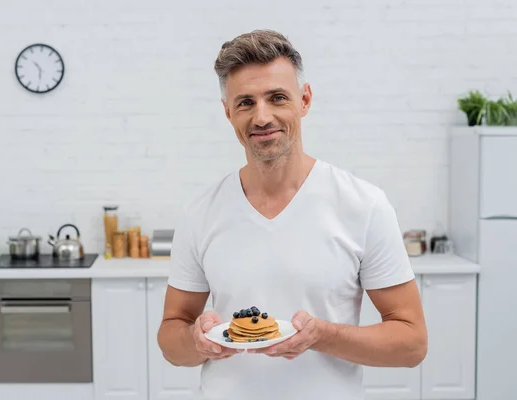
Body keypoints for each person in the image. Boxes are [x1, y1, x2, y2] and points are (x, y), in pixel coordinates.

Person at [157, 29, 427, 400]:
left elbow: (412, 343)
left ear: (305, 100)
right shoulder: (200, 212)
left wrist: (323, 336)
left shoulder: (363, 205)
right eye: (245, 103)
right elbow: (171, 340)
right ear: (227, 112)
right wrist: (195, 341)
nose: (262, 117)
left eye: (277, 98)